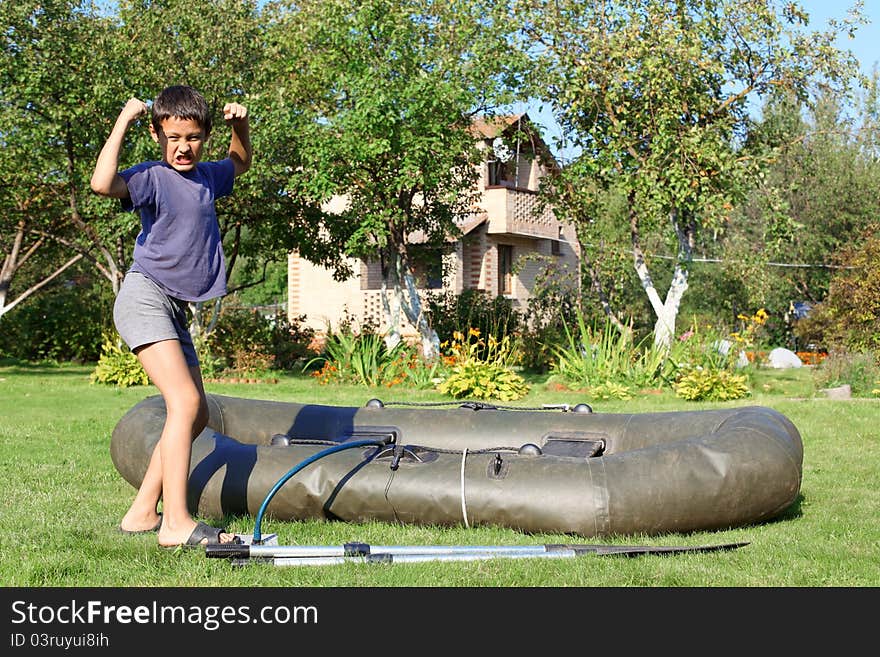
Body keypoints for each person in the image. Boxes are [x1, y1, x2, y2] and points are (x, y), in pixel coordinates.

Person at [90, 85, 251, 548]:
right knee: (183, 404)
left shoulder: (207, 178)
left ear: (204, 136)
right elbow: (103, 184)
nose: (183, 147)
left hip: (174, 309)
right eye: (174, 137)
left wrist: (239, 127)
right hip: (145, 298)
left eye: (194, 137)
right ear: (159, 134)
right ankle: (175, 522)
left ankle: (142, 510)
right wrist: (125, 118)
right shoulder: (152, 178)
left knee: (195, 413)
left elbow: (240, 162)